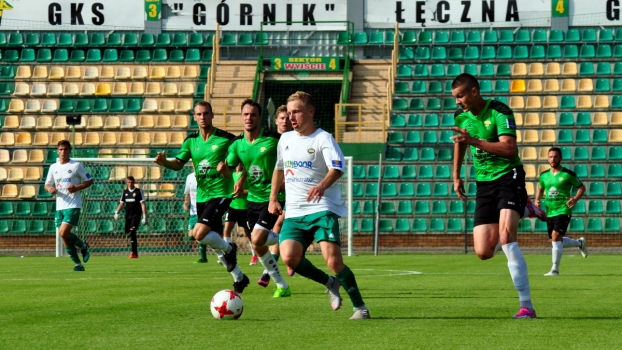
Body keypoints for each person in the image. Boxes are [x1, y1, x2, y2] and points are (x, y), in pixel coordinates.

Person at [450, 73, 547, 319]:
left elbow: (509, 148)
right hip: (484, 184)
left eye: (460, 96)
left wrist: (476, 141)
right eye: (455, 97)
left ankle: (527, 306)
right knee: (483, 251)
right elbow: (461, 142)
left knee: (506, 239)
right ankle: (526, 209)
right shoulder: (460, 116)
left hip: (508, 175)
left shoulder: (499, 111)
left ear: (474, 91)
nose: (458, 102)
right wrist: (456, 175)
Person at [269, 91, 369, 320]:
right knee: (288, 257)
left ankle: (360, 307)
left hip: (321, 207)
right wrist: (273, 197)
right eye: (289, 112)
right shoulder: (285, 139)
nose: (291, 117)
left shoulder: (323, 138)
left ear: (310, 112)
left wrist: (322, 186)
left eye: (297, 112)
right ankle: (329, 283)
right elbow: (279, 169)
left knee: (333, 260)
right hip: (294, 211)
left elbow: (337, 167)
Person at [154, 101, 249, 293]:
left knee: (198, 234)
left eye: (206, 113)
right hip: (202, 196)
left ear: (212, 115)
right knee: (208, 239)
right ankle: (239, 277)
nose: (203, 117)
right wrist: (164, 163)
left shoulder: (226, 138)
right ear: (194, 117)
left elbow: (245, 156)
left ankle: (230, 249)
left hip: (222, 193)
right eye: (199, 114)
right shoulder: (191, 141)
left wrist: (237, 177)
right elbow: (179, 164)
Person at [224, 99, 291, 298]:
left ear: (259, 118)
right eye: (245, 114)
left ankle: (290, 240)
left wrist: (287, 182)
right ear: (241, 117)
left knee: (258, 238)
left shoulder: (273, 139)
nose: (249, 118)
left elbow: (288, 162)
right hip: (252, 198)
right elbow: (235, 168)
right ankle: (282, 286)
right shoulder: (237, 144)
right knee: (258, 244)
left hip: (273, 197)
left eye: (253, 114)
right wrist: (232, 176)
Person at [536, 147, 588, 276]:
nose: (553, 159)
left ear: (560, 158)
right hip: (550, 210)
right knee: (555, 240)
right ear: (548, 158)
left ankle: (555, 269)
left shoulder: (568, 174)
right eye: (551, 156)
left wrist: (575, 199)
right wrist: (537, 200)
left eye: (556, 157)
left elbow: (581, 187)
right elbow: (540, 188)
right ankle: (579, 243)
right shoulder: (544, 175)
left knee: (555, 237)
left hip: (563, 209)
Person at [259, 105, 295, 287]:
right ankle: (292, 256)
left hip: (293, 190)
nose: (285, 121)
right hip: (272, 191)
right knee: (275, 227)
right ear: (276, 121)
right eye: (282, 118)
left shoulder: (297, 139)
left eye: (288, 117)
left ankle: (269, 271)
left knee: (281, 224)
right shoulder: (271, 141)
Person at [44, 140, 94, 272]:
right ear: (57, 151)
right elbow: (47, 184)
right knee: (64, 236)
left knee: (63, 232)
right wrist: (49, 189)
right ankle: (78, 264)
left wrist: (76, 187)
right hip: (59, 206)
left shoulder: (76, 165)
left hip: (73, 204)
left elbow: (90, 180)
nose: (63, 152)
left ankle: (83, 246)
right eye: (60, 149)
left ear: (70, 151)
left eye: (65, 149)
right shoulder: (53, 167)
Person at [223, 163, 256, 265]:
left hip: (245, 207)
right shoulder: (231, 174)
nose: (239, 164)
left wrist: (242, 191)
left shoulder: (247, 175)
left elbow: (253, 190)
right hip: (233, 206)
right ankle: (228, 254)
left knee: (248, 233)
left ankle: (254, 254)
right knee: (227, 230)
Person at [114, 176, 147, 259]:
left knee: (132, 231)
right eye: (129, 182)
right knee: (130, 233)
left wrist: (144, 216)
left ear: (134, 182)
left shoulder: (138, 192)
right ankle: (134, 252)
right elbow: (122, 203)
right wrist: (117, 212)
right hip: (128, 216)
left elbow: (142, 204)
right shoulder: (125, 192)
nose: (130, 184)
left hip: (136, 215)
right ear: (127, 183)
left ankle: (133, 253)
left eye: (132, 182)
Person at [183, 170, 206, 263]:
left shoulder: (205, 176)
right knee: (191, 236)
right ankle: (212, 241)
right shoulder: (189, 177)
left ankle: (203, 257)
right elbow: (188, 192)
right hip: (193, 212)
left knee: (199, 235)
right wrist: (186, 202)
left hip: (202, 210)